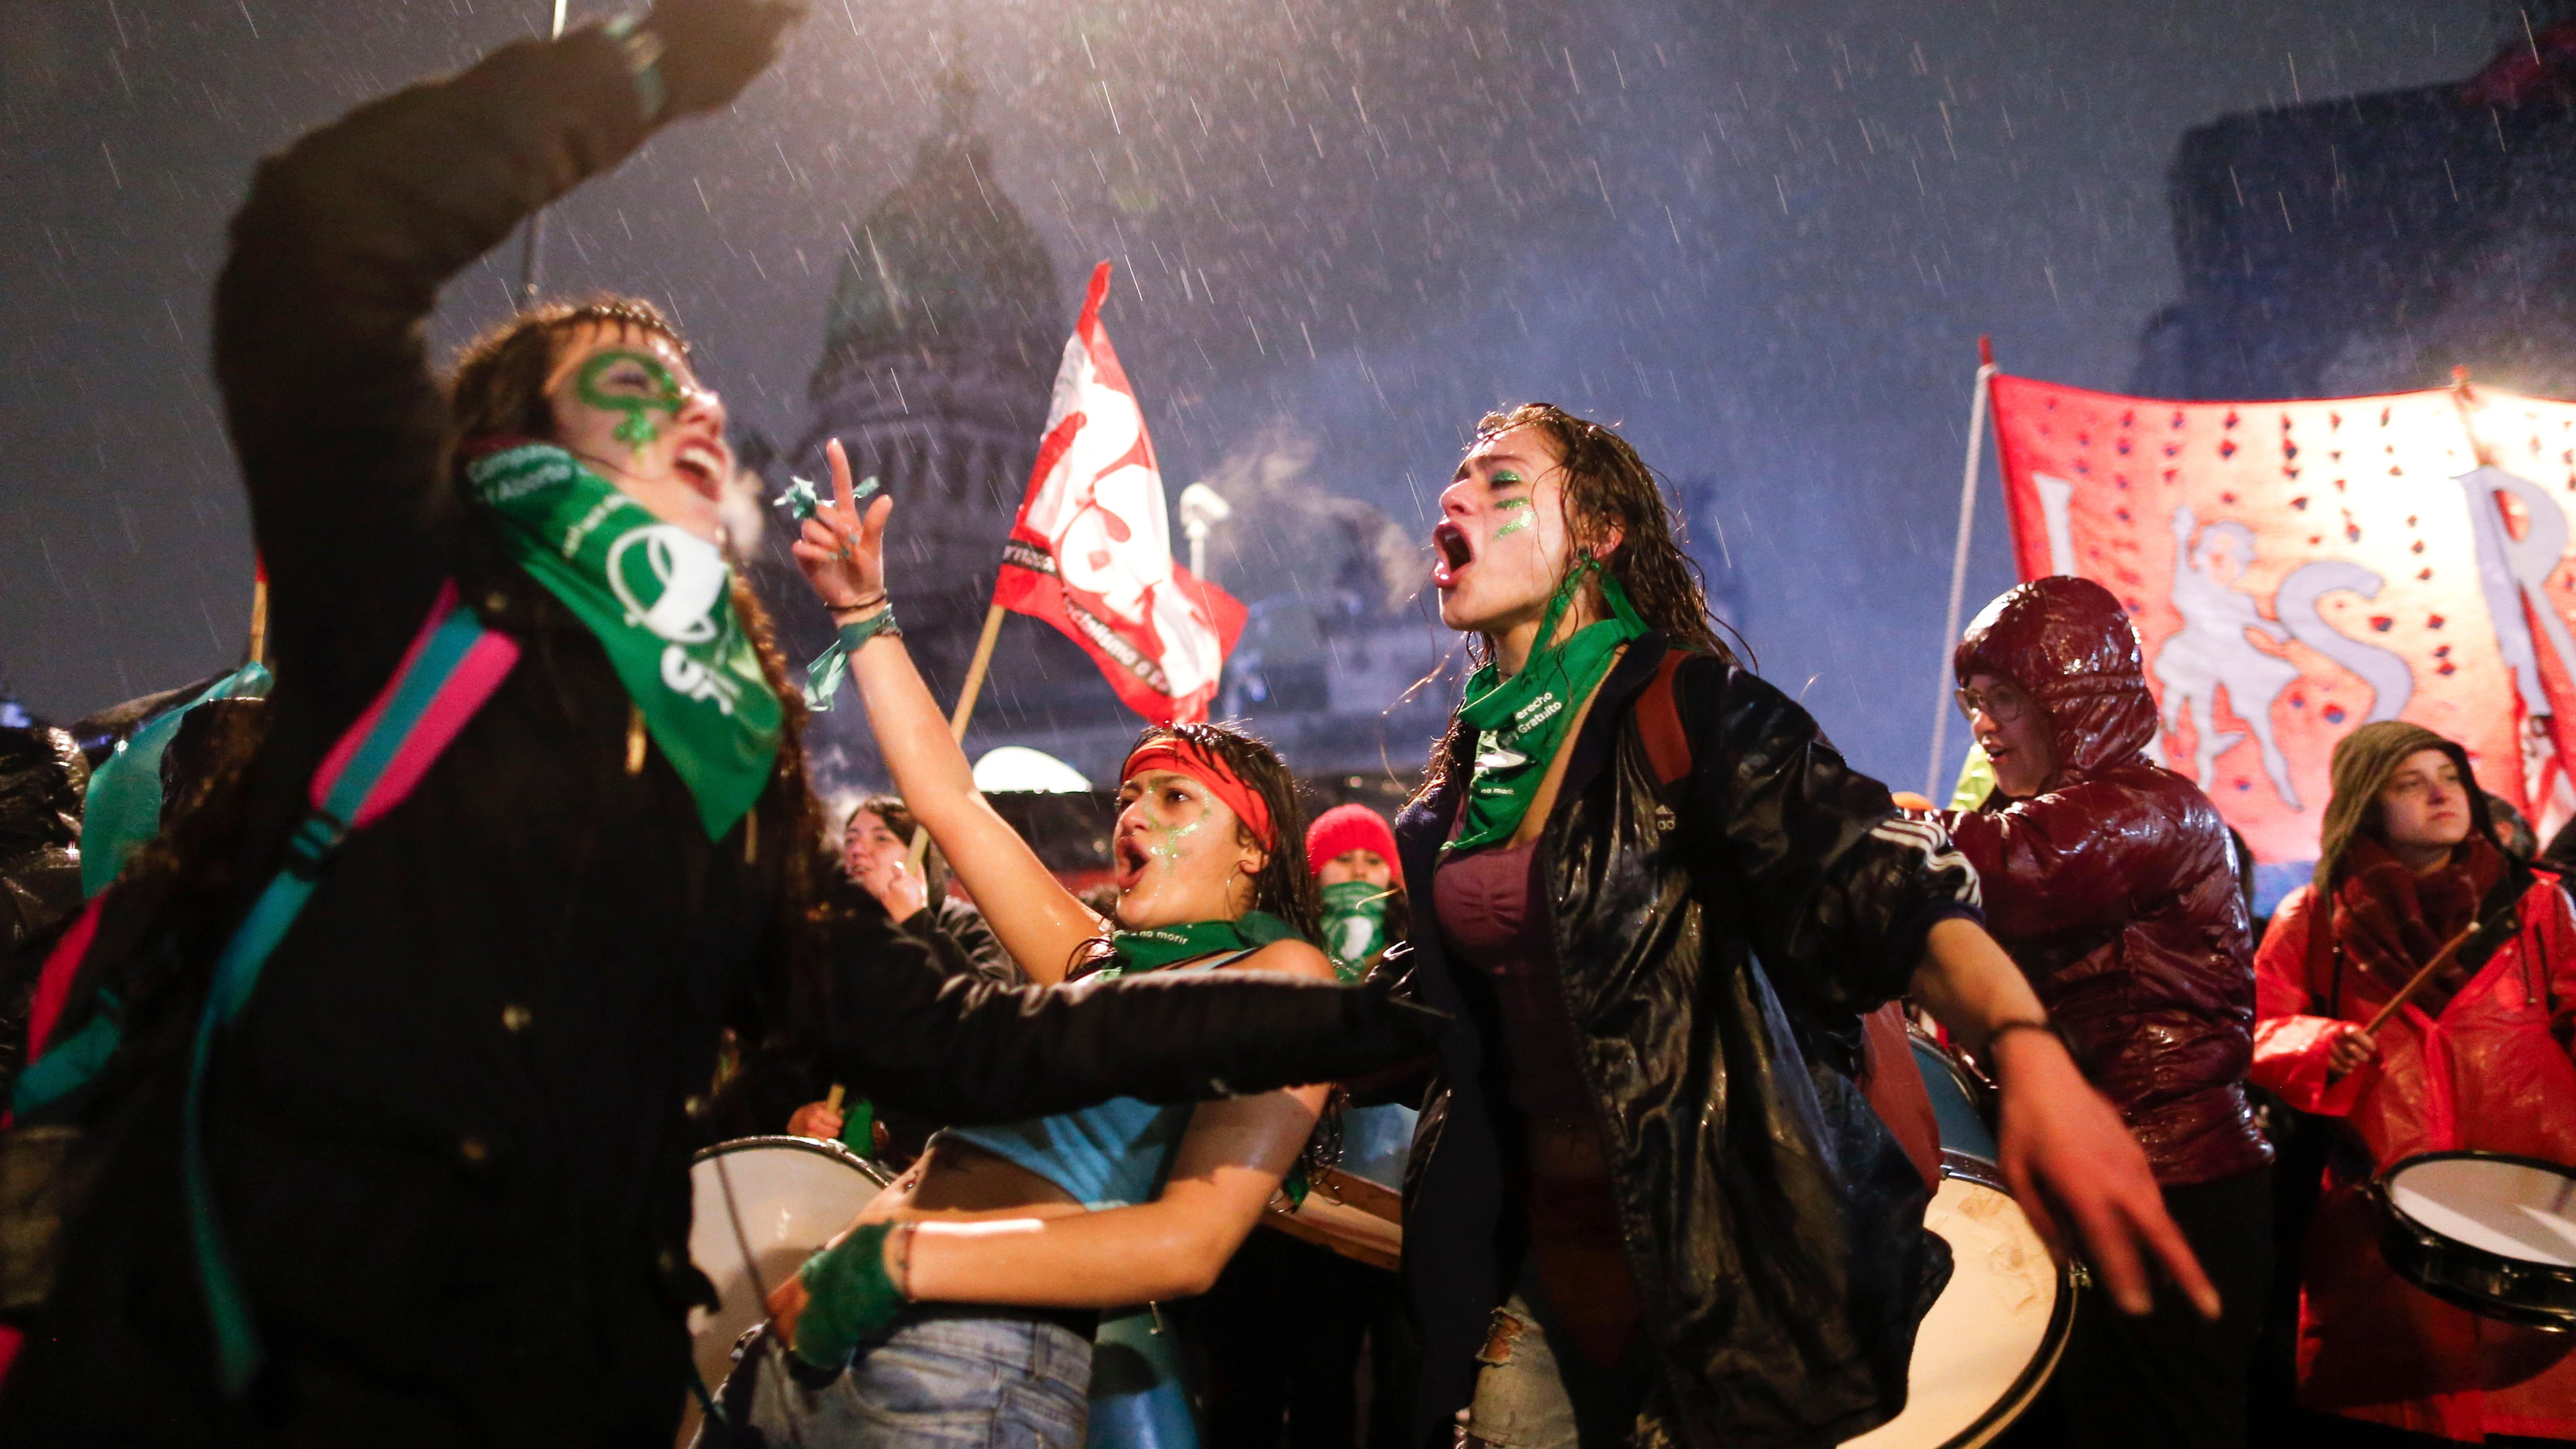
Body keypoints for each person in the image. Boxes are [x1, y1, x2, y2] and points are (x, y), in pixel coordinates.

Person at [0, 12, 1428, 1443]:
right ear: (511, 448)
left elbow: (959, 1041)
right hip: (263, 1336)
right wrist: (648, 65)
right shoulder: (399, 592)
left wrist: (1313, 1011)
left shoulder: (730, 767)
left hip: (553, 1369)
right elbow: (315, 236)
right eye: (631, 380)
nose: (693, 403)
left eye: (695, 384)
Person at [1396, 402, 2215, 1449]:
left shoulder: (1687, 709)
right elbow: (1438, 1016)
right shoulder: (1459, 790)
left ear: (1600, 532)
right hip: (1540, 1262)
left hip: (1717, 1269)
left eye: (1500, 482)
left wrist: (2027, 1048)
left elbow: (1880, 874)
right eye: (1452, 484)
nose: (1453, 500)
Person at [709, 439, 1354, 1448]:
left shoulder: (1282, 977)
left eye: (1176, 797)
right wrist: (860, 611)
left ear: (1252, 855)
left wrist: (904, 1259)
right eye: (1130, 793)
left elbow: (1184, 1243)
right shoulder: (1094, 966)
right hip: (825, 1330)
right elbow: (953, 803)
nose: (1132, 815)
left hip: (965, 1369)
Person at [1938, 575, 2276, 1449]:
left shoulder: (2156, 808)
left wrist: (1839, 813)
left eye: (2007, 698)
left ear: (2075, 702)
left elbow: (2008, 873)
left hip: (2173, 1184)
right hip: (2084, 1176)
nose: (1984, 723)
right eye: (1975, 700)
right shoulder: (2036, 814)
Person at [2250, 721, 2576, 1443]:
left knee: (2530, 1400)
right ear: (2367, 804)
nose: (2440, 794)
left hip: (2529, 1199)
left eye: (2449, 776)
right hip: (2383, 1209)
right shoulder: (2315, 915)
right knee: (2399, 1401)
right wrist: (2320, 1042)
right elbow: (2258, 1023)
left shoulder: (2537, 905)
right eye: (2410, 783)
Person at [1192, 802, 1419, 1449]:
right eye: (1341, 859)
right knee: (1304, 1372)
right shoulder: (1274, 949)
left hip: (1388, 1196)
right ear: (1312, 872)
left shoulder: (1413, 955)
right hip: (1292, 1197)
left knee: (1393, 1381)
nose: (1358, 872)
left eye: (1372, 859)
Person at [775, 797, 1022, 1155]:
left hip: (943, 1159)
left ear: (917, 860)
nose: (859, 851)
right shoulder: (829, 946)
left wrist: (916, 922)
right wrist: (796, 1114)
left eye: (881, 839)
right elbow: (786, 1055)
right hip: (842, 1169)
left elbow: (986, 1023)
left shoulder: (963, 927)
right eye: (851, 840)